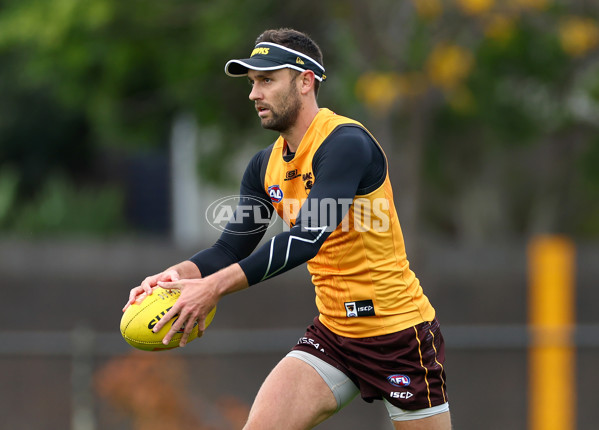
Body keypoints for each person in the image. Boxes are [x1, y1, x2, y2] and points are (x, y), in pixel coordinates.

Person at [124, 28, 451, 430]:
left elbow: (306, 237)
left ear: (305, 81)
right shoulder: (264, 166)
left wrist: (213, 288)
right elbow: (230, 248)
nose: (253, 94)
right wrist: (177, 276)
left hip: (398, 334)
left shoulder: (345, 143)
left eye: (266, 80)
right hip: (333, 337)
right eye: (251, 83)